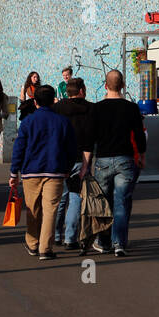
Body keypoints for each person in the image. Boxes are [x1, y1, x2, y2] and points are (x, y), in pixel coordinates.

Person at [80, 70, 147, 258]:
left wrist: (86, 165)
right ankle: (120, 243)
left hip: (103, 161)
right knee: (122, 202)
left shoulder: (96, 109)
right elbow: (139, 134)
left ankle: (103, 241)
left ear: (106, 85)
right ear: (123, 85)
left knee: (103, 203)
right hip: (125, 159)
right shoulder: (131, 108)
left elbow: (88, 139)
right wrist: (142, 155)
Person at [10, 85, 78, 259]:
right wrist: (67, 169)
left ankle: (32, 244)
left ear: (35, 101)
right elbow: (71, 149)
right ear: (53, 100)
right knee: (50, 210)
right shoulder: (63, 122)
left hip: (30, 172)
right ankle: (45, 248)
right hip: (55, 171)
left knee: (33, 209)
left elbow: (19, 148)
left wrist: (13, 173)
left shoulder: (27, 122)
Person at [52, 77, 94, 248]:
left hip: (60, 158)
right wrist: (86, 165)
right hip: (80, 157)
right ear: (82, 90)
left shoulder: (57, 108)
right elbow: (90, 139)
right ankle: (70, 238)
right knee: (76, 198)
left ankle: (55, 235)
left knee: (60, 198)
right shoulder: (90, 108)